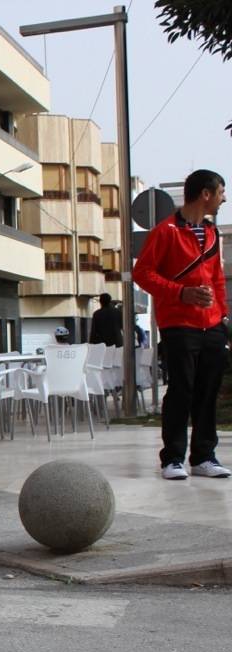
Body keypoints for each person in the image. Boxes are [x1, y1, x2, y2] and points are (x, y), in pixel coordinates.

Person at [132, 168, 230, 480]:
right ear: (206, 193)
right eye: (221, 192)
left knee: (207, 389)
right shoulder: (165, 231)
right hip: (178, 324)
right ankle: (172, 459)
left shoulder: (213, 234)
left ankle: (204, 457)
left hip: (212, 324)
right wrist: (182, 293)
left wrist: (223, 316)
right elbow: (143, 274)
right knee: (181, 390)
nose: (223, 198)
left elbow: (217, 279)